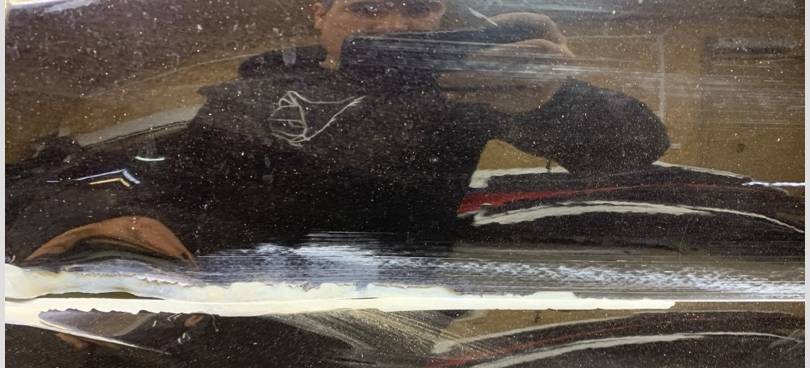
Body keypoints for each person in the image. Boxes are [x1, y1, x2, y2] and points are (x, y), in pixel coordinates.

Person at [7, 0, 670, 261]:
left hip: (351, 337)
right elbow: (176, 182)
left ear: (441, 15)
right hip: (216, 318)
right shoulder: (254, 86)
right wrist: (130, 224)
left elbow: (633, 149)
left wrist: (550, 99)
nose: (394, 25)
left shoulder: (461, 92)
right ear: (319, 12)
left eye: (417, 8)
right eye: (367, 7)